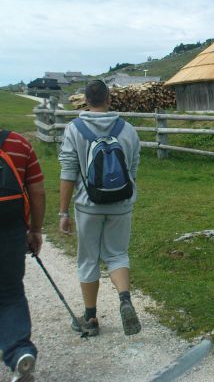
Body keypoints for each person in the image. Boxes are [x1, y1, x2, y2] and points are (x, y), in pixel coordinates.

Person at [58, 79, 142, 337]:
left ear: (85, 100)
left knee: (88, 259)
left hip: (88, 206)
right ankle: (125, 299)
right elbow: (133, 169)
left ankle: (90, 318)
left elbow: (68, 171)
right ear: (109, 99)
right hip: (121, 204)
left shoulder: (74, 129)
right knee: (117, 254)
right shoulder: (127, 130)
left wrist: (63, 212)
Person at [0, 129, 45, 382]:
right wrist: (36, 230)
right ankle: (19, 352)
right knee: (10, 293)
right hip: (10, 231)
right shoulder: (18, 143)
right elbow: (37, 191)